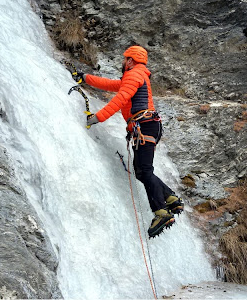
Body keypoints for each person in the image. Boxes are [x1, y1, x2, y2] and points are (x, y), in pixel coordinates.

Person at [72, 45, 184, 238]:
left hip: (145, 126)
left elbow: (120, 98)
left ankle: (161, 212)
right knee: (142, 171)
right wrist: (86, 78)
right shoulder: (137, 76)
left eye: (125, 59)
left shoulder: (134, 75)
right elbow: (111, 85)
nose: (123, 62)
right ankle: (170, 198)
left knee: (144, 171)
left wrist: (97, 118)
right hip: (148, 126)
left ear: (130, 60)